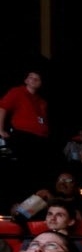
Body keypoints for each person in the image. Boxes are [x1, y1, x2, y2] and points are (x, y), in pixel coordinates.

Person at [0, 71, 51, 204]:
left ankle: (35, 204)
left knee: (39, 174)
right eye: (30, 77)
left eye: (37, 78)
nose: (33, 80)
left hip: (40, 139)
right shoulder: (17, 92)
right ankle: (20, 204)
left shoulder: (41, 101)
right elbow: (3, 107)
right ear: (26, 80)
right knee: (24, 172)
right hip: (23, 137)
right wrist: (0, 129)